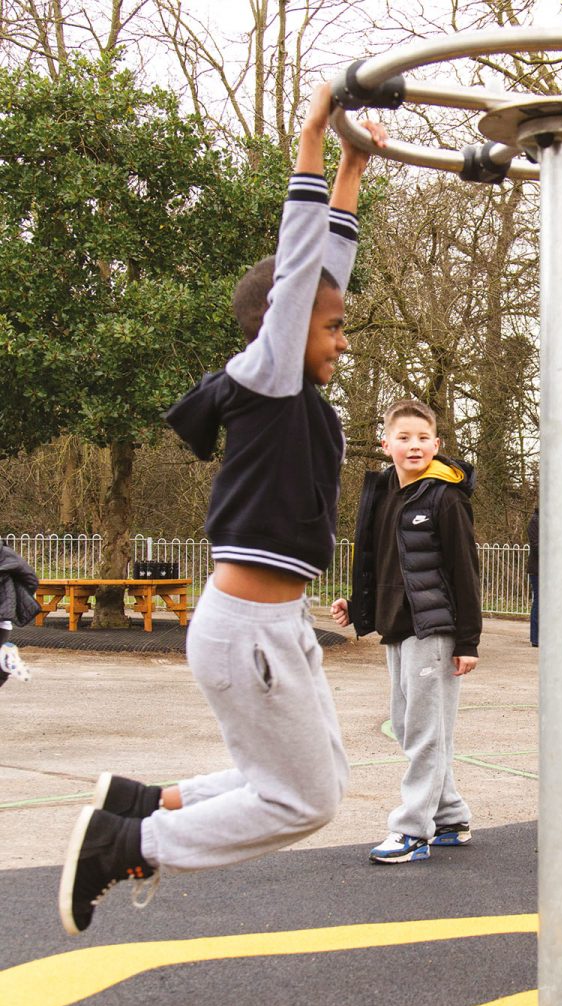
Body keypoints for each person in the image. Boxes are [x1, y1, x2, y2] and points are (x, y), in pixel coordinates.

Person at [57, 84, 388, 935]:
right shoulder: (269, 376)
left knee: (320, 780)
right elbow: (302, 262)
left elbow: (324, 270)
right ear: (278, 326)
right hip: (248, 632)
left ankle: (145, 803)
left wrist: (353, 168)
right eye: (331, 328)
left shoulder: (294, 390)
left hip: (272, 628)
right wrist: (313, 138)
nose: (341, 340)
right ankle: (127, 844)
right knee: (303, 801)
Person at [331, 398, 480, 864]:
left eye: (422, 438)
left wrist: (468, 640)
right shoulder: (383, 494)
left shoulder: (445, 497)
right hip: (397, 626)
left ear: (436, 444)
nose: (414, 445)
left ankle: (413, 829)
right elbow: (380, 562)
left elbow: (465, 570)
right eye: (404, 437)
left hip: (433, 628)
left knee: (424, 731)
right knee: (407, 726)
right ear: (386, 444)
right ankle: (450, 816)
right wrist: (358, 606)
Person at [0, 543, 38, 685]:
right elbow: (31, 580)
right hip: (3, 618)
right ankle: (5, 658)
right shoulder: (5, 553)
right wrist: (18, 596)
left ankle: (5, 658)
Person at [527, 504, 539, 647]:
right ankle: (536, 638)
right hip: (538, 569)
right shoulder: (535, 521)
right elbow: (536, 546)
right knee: (540, 602)